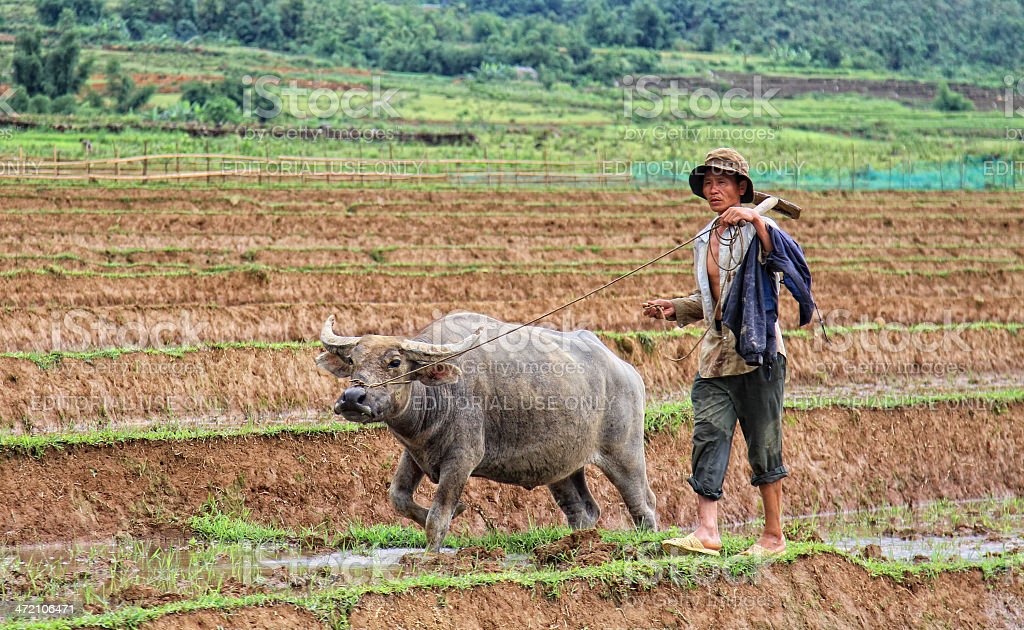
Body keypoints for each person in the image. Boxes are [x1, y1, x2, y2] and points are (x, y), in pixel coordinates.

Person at [642, 147, 790, 558]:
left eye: (722, 182)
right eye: (708, 183)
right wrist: (678, 307)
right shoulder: (705, 236)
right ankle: (707, 531)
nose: (713, 190)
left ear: (742, 188)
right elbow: (711, 297)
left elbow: (781, 258)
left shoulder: (763, 228)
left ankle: (773, 536)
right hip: (715, 357)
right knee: (708, 435)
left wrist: (756, 219)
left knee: (764, 443)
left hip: (758, 354)